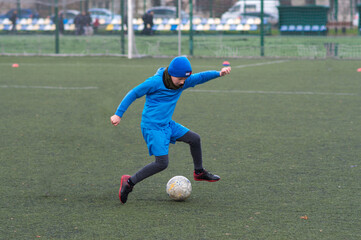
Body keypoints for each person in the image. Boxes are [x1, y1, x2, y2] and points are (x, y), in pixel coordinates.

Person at [110, 56, 232, 204]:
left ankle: (199, 172)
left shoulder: (183, 82)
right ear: (171, 74)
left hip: (168, 124)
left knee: (195, 139)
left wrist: (218, 73)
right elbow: (134, 93)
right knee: (161, 163)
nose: (182, 82)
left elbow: (200, 77)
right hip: (153, 127)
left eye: (184, 79)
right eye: (180, 78)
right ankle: (129, 182)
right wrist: (118, 114)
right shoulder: (155, 82)